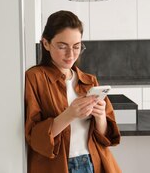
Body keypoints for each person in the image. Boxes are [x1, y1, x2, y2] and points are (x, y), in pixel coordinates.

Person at [25, 10, 121, 173]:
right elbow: (34, 137)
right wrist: (69, 114)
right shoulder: (35, 78)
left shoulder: (89, 80)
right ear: (46, 43)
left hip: (93, 162)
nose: (70, 54)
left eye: (76, 47)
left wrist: (100, 117)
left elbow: (106, 137)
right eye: (62, 47)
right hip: (57, 166)